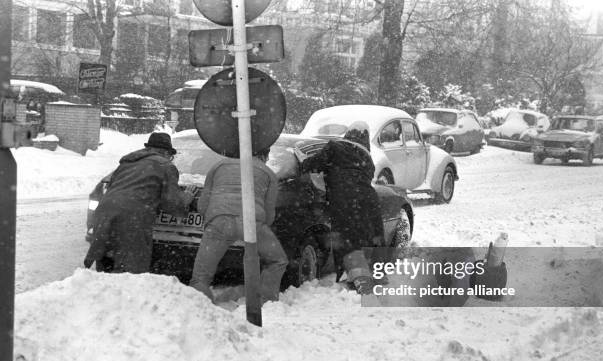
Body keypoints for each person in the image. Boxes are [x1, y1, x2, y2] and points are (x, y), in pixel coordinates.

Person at [84, 132, 197, 273]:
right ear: (166, 152)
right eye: (171, 156)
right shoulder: (166, 166)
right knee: (131, 266)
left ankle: (104, 290)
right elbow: (171, 203)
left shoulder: (128, 162)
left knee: (106, 262)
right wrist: (187, 198)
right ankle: (125, 292)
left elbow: (113, 185)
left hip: (105, 211)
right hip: (132, 216)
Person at [189, 148, 288, 304]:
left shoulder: (218, 167)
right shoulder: (268, 173)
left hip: (218, 221)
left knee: (201, 275)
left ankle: (200, 308)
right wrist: (257, 232)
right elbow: (269, 215)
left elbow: (202, 206)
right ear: (264, 155)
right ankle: (265, 302)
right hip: (251, 222)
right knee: (278, 260)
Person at [301, 121, 385, 294]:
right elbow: (363, 177)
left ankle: (361, 280)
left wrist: (303, 164)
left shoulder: (335, 147)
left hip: (344, 199)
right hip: (368, 199)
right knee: (366, 236)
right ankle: (370, 274)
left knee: (348, 239)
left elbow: (314, 164)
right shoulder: (367, 158)